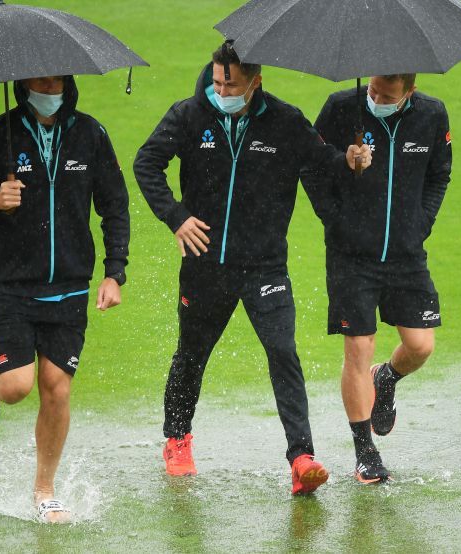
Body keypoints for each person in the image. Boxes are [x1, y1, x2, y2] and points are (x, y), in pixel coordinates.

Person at [133, 42, 371, 495]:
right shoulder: (189, 114)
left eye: (231, 85)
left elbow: (327, 164)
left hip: (265, 268)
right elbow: (147, 163)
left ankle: (301, 458)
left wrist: (352, 162)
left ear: (255, 82)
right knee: (191, 354)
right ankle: (177, 439)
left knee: (283, 352)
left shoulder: (285, 120)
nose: (220, 91)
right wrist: (176, 217)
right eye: (217, 82)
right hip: (205, 266)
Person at [0, 75, 130, 521]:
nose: (49, 87)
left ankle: (44, 490)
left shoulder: (91, 135)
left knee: (56, 389)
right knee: (18, 387)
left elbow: (113, 204)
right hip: (13, 287)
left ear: (67, 82)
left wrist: (115, 273)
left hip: (70, 288)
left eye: (56, 79)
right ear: (24, 82)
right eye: (40, 79)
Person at [313, 73, 452, 483]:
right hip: (351, 256)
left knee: (421, 345)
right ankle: (364, 452)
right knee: (358, 347)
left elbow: (439, 174)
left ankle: (386, 377)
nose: (376, 98)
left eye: (387, 96)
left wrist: (421, 224)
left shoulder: (431, 114)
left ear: (408, 91)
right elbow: (311, 167)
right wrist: (342, 173)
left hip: (406, 255)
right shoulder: (342, 108)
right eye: (373, 90)